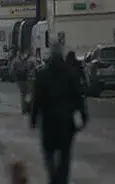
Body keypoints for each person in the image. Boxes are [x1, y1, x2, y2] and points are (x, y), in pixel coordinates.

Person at [31, 44, 88, 184]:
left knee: (49, 152)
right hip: (66, 122)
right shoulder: (71, 75)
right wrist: (83, 115)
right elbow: (77, 98)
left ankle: (53, 176)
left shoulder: (42, 75)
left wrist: (33, 118)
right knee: (65, 154)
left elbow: (37, 99)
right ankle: (62, 179)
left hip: (48, 121)